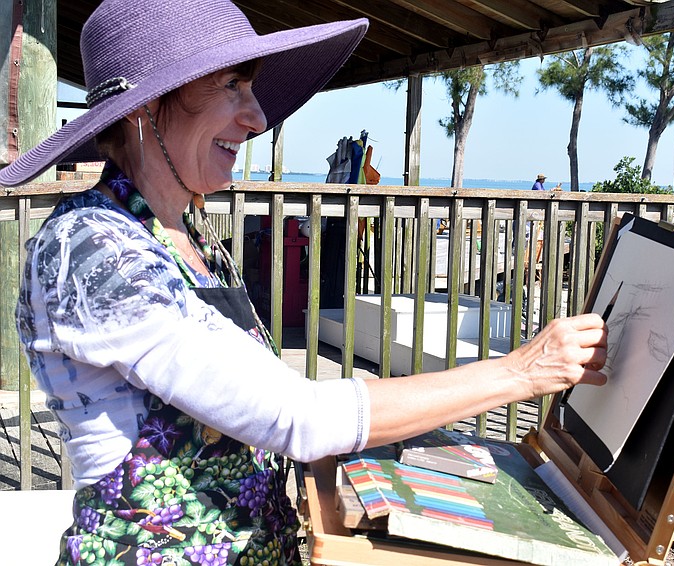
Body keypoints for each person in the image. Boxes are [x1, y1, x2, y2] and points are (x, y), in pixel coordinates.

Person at [0, 0, 609, 564]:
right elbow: (297, 416)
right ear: (144, 106)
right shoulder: (91, 250)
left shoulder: (183, 232)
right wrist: (521, 371)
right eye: (232, 85)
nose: (257, 117)